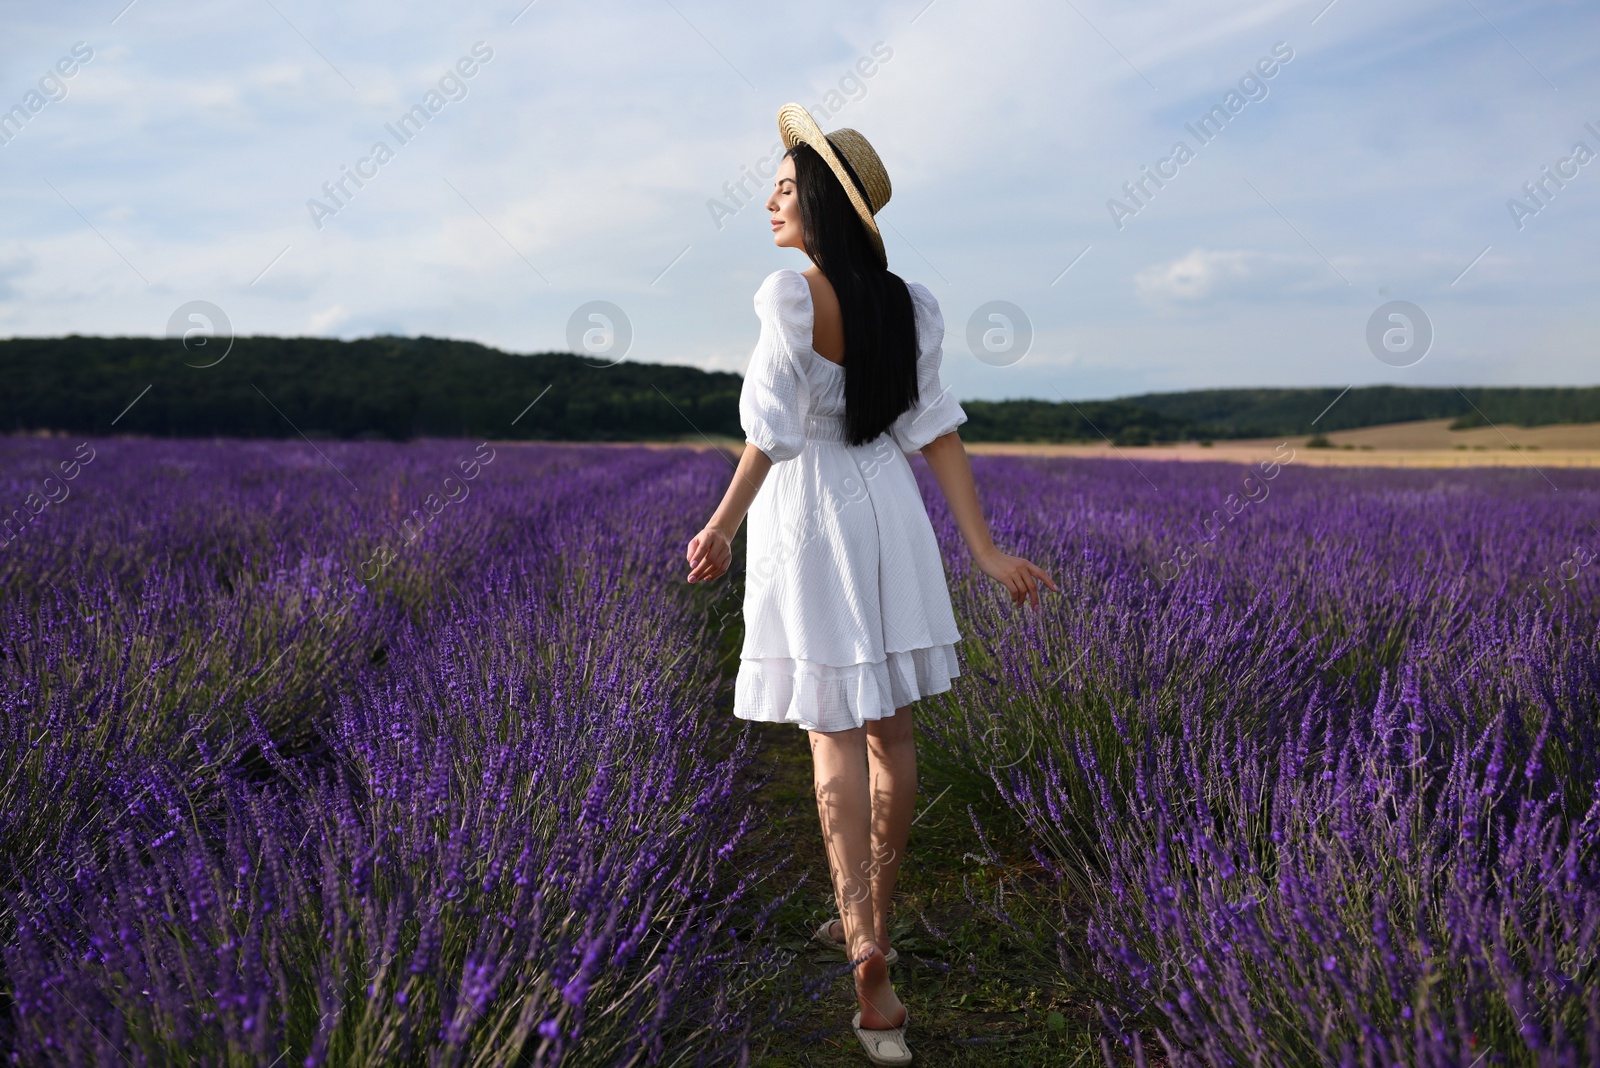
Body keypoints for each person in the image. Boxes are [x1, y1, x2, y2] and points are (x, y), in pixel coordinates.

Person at [684, 103, 1056, 1065]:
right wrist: (982, 549)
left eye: (781, 186)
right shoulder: (911, 303)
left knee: (831, 733)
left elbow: (770, 432)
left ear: (819, 201)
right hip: (889, 514)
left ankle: (867, 958)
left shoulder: (790, 298)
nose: (768, 200)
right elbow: (938, 432)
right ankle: (871, 918)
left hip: (806, 519)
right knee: (894, 730)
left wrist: (721, 525)